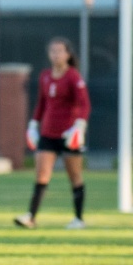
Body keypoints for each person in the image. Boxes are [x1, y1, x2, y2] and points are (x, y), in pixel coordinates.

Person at [15, 37, 90, 229]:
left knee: (74, 176)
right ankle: (31, 217)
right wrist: (33, 124)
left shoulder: (73, 76)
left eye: (60, 51)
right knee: (41, 174)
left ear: (68, 54)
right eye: (53, 51)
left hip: (68, 134)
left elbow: (84, 104)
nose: (56, 55)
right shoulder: (45, 76)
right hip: (48, 133)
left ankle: (78, 219)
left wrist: (79, 127)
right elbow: (42, 103)